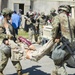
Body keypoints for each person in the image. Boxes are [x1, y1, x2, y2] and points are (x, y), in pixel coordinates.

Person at [0, 8, 27, 75]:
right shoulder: (2, 23)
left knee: (15, 58)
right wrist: (7, 38)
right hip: (5, 45)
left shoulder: (8, 23)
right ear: (6, 15)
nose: (11, 16)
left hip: (12, 44)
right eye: (10, 15)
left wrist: (17, 38)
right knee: (4, 61)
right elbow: (1, 34)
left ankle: (19, 72)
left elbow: (13, 33)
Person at [51, 5, 75, 75]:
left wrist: (54, 37)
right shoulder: (72, 19)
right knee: (60, 61)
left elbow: (55, 27)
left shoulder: (57, 17)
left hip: (63, 45)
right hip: (71, 45)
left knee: (58, 64)